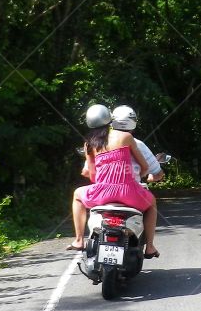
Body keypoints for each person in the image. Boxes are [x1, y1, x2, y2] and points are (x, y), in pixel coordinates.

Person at [68, 104, 160, 258]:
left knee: (77, 194)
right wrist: (142, 174)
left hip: (102, 193)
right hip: (128, 193)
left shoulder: (88, 144)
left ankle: (78, 240)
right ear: (110, 120)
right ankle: (149, 247)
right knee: (152, 203)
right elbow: (144, 166)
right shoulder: (125, 137)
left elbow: (93, 176)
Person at [110, 105, 167, 184]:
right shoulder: (138, 145)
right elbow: (158, 174)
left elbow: (88, 171)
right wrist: (148, 179)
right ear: (133, 122)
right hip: (131, 190)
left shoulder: (100, 143)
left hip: (103, 191)